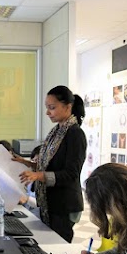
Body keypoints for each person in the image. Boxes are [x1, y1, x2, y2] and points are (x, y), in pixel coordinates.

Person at [19, 85, 86, 242]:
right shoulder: (56, 133)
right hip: (49, 202)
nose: (47, 112)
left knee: (57, 248)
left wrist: (39, 175)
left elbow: (71, 174)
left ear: (68, 107)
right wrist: (24, 162)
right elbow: (48, 166)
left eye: (52, 108)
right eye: (47, 108)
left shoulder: (74, 134)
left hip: (63, 204)